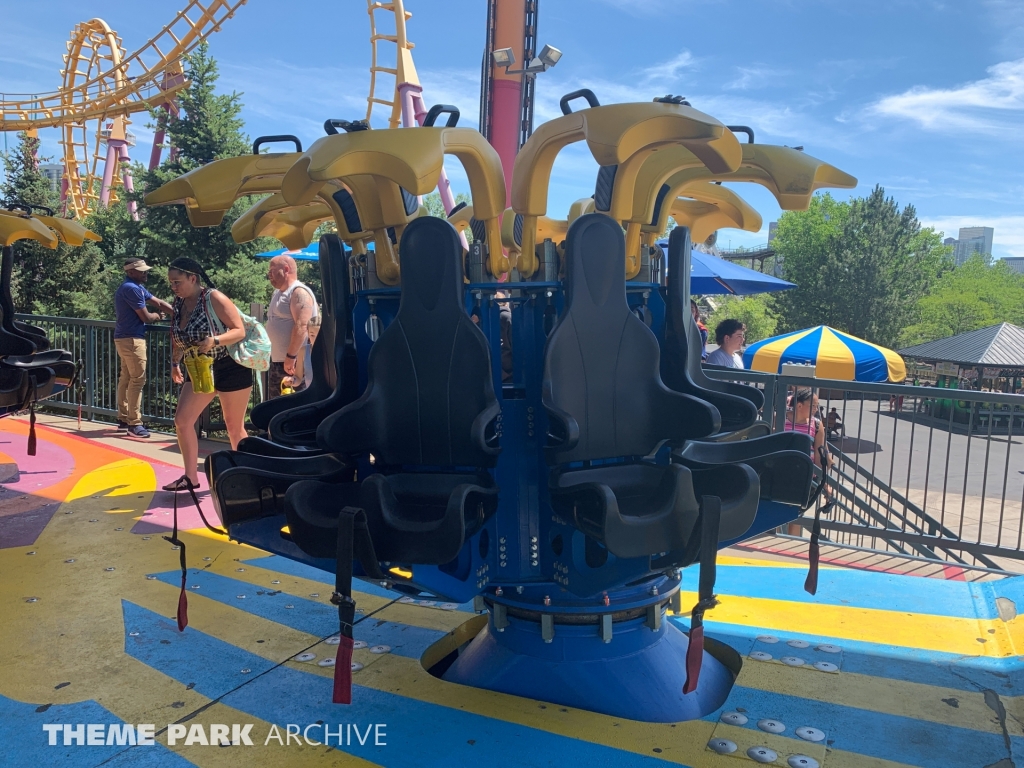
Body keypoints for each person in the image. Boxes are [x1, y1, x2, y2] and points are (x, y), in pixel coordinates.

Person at [163, 257, 252, 492]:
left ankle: (247, 476)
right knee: (182, 421)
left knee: (234, 426)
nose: (174, 287)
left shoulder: (213, 297)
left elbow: (239, 330)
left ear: (193, 278)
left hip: (230, 365)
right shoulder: (179, 303)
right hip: (199, 367)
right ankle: (190, 477)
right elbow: (178, 337)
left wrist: (215, 340)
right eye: (171, 283)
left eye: (177, 282)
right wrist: (175, 363)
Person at [113, 258, 174, 439]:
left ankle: (124, 418)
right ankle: (134, 423)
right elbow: (146, 317)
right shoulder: (131, 288)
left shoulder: (134, 286)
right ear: (130, 272)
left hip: (124, 338)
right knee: (137, 380)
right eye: (142, 271)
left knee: (126, 378)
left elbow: (158, 302)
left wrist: (178, 313)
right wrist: (157, 316)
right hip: (132, 339)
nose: (146, 273)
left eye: (146, 270)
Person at [265, 255, 319, 398]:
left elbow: (302, 326)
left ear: (286, 269)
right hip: (279, 361)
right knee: (276, 409)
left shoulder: (299, 292)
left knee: (295, 408)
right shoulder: (278, 292)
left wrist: (291, 356)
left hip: (294, 364)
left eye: (272, 270)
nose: (269, 274)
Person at [785, 387, 831, 500]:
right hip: (781, 474)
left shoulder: (816, 424)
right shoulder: (780, 418)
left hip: (807, 477)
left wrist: (823, 481)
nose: (816, 409)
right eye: (813, 406)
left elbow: (819, 453)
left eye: (817, 406)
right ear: (799, 406)